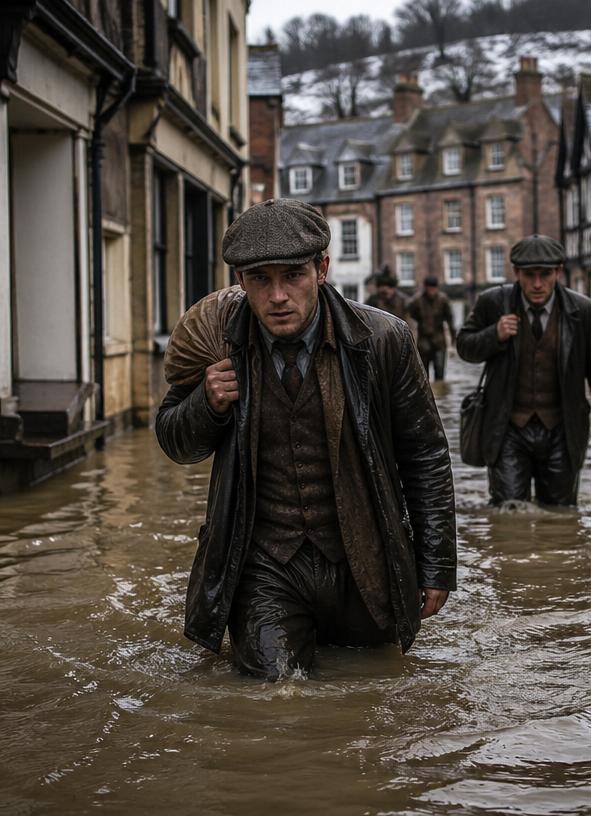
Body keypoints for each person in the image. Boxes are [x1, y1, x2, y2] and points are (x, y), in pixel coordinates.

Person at [155, 199, 456, 680]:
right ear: (240, 280)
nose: (278, 296)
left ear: (322, 269)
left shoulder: (383, 339)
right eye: (261, 279)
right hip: (265, 563)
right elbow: (176, 444)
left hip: (364, 556)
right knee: (273, 693)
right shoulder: (219, 343)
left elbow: (425, 456)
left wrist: (436, 564)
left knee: (373, 690)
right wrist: (206, 404)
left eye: (293, 275)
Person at [456, 234, 591, 506]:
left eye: (545, 274)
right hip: (508, 427)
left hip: (562, 429)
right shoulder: (493, 303)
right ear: (516, 273)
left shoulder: (583, 311)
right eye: (529, 275)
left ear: (558, 272)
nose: (537, 284)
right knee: (509, 510)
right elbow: (464, 347)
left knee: (561, 513)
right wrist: (494, 335)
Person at [407, 275, 456, 382]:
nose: (432, 291)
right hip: (423, 341)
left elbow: (450, 320)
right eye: (429, 288)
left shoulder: (443, 300)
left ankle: (440, 390)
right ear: (425, 287)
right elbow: (410, 315)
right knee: (423, 374)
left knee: (440, 371)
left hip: (439, 341)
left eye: (434, 288)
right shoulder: (417, 300)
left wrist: (453, 340)